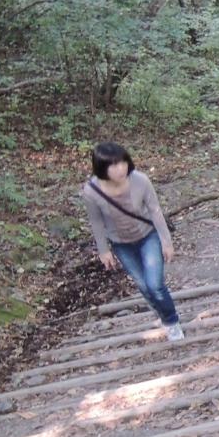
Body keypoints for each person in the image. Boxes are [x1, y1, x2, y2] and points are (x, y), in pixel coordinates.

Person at [82, 142, 183, 342]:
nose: (120, 169)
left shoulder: (140, 181)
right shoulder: (91, 191)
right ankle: (161, 313)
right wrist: (103, 250)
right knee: (143, 285)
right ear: (102, 167)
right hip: (121, 243)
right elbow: (96, 221)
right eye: (113, 165)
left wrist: (166, 241)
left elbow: (155, 210)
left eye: (122, 162)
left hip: (148, 236)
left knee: (154, 284)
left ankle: (171, 322)